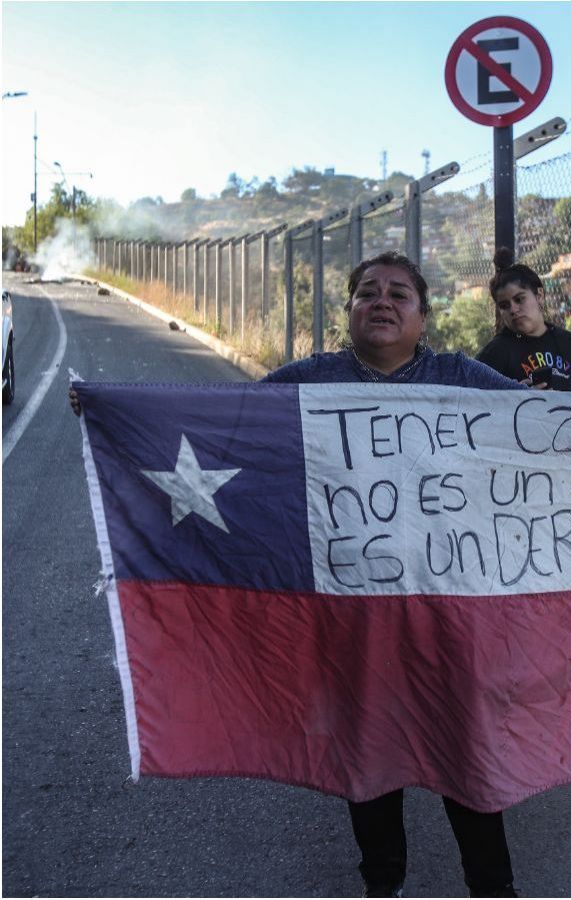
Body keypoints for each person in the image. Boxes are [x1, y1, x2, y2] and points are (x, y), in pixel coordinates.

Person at [71, 251, 525, 898]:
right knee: (368, 749)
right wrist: (114, 409)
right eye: (367, 292)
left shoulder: (458, 377)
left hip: (444, 605)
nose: (383, 301)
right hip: (349, 609)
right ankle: (382, 882)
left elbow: (549, 425)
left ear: (424, 317)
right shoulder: (310, 378)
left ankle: (493, 886)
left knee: (466, 751)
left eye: (400, 293)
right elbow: (225, 430)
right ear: (348, 311)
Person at [475, 248, 571, 392]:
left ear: (539, 295)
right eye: (504, 306)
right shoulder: (496, 353)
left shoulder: (568, 343)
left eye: (519, 299)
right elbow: (471, 400)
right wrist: (516, 399)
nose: (513, 310)